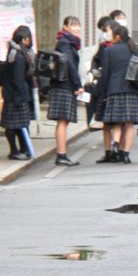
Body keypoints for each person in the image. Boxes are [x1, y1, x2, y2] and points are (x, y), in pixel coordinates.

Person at [96, 21, 138, 164]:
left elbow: (105, 74)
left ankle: (116, 142)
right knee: (129, 124)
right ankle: (126, 154)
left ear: (117, 36)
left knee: (116, 120)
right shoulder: (134, 50)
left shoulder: (109, 51)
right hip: (131, 89)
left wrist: (103, 94)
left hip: (114, 89)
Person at [48, 16, 84, 166]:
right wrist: (78, 84)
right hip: (63, 86)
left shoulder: (70, 42)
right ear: (66, 27)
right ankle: (61, 155)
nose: (76, 28)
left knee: (64, 121)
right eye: (73, 25)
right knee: (63, 121)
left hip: (65, 85)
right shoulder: (64, 42)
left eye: (78, 25)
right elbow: (69, 63)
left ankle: (62, 154)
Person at [0, 25, 35, 161]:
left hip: (10, 94)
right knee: (16, 125)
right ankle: (16, 151)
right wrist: (23, 96)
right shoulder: (19, 56)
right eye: (29, 38)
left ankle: (22, 150)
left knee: (14, 125)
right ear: (24, 39)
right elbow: (19, 79)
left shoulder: (12, 52)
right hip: (17, 95)